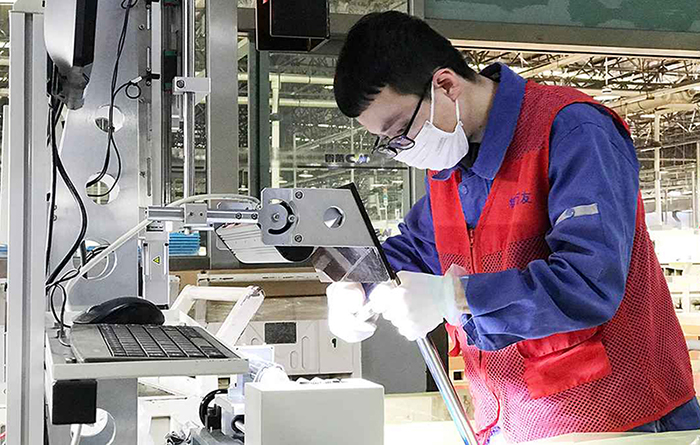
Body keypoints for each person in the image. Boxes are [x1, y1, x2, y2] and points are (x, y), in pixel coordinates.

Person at [327, 10, 700, 444]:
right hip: (508, 420)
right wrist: (356, 283)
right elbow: (415, 248)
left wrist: (453, 298)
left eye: (400, 131)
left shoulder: (572, 130)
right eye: (389, 142)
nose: (402, 149)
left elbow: (588, 282)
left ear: (445, 85)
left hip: (615, 419)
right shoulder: (450, 164)